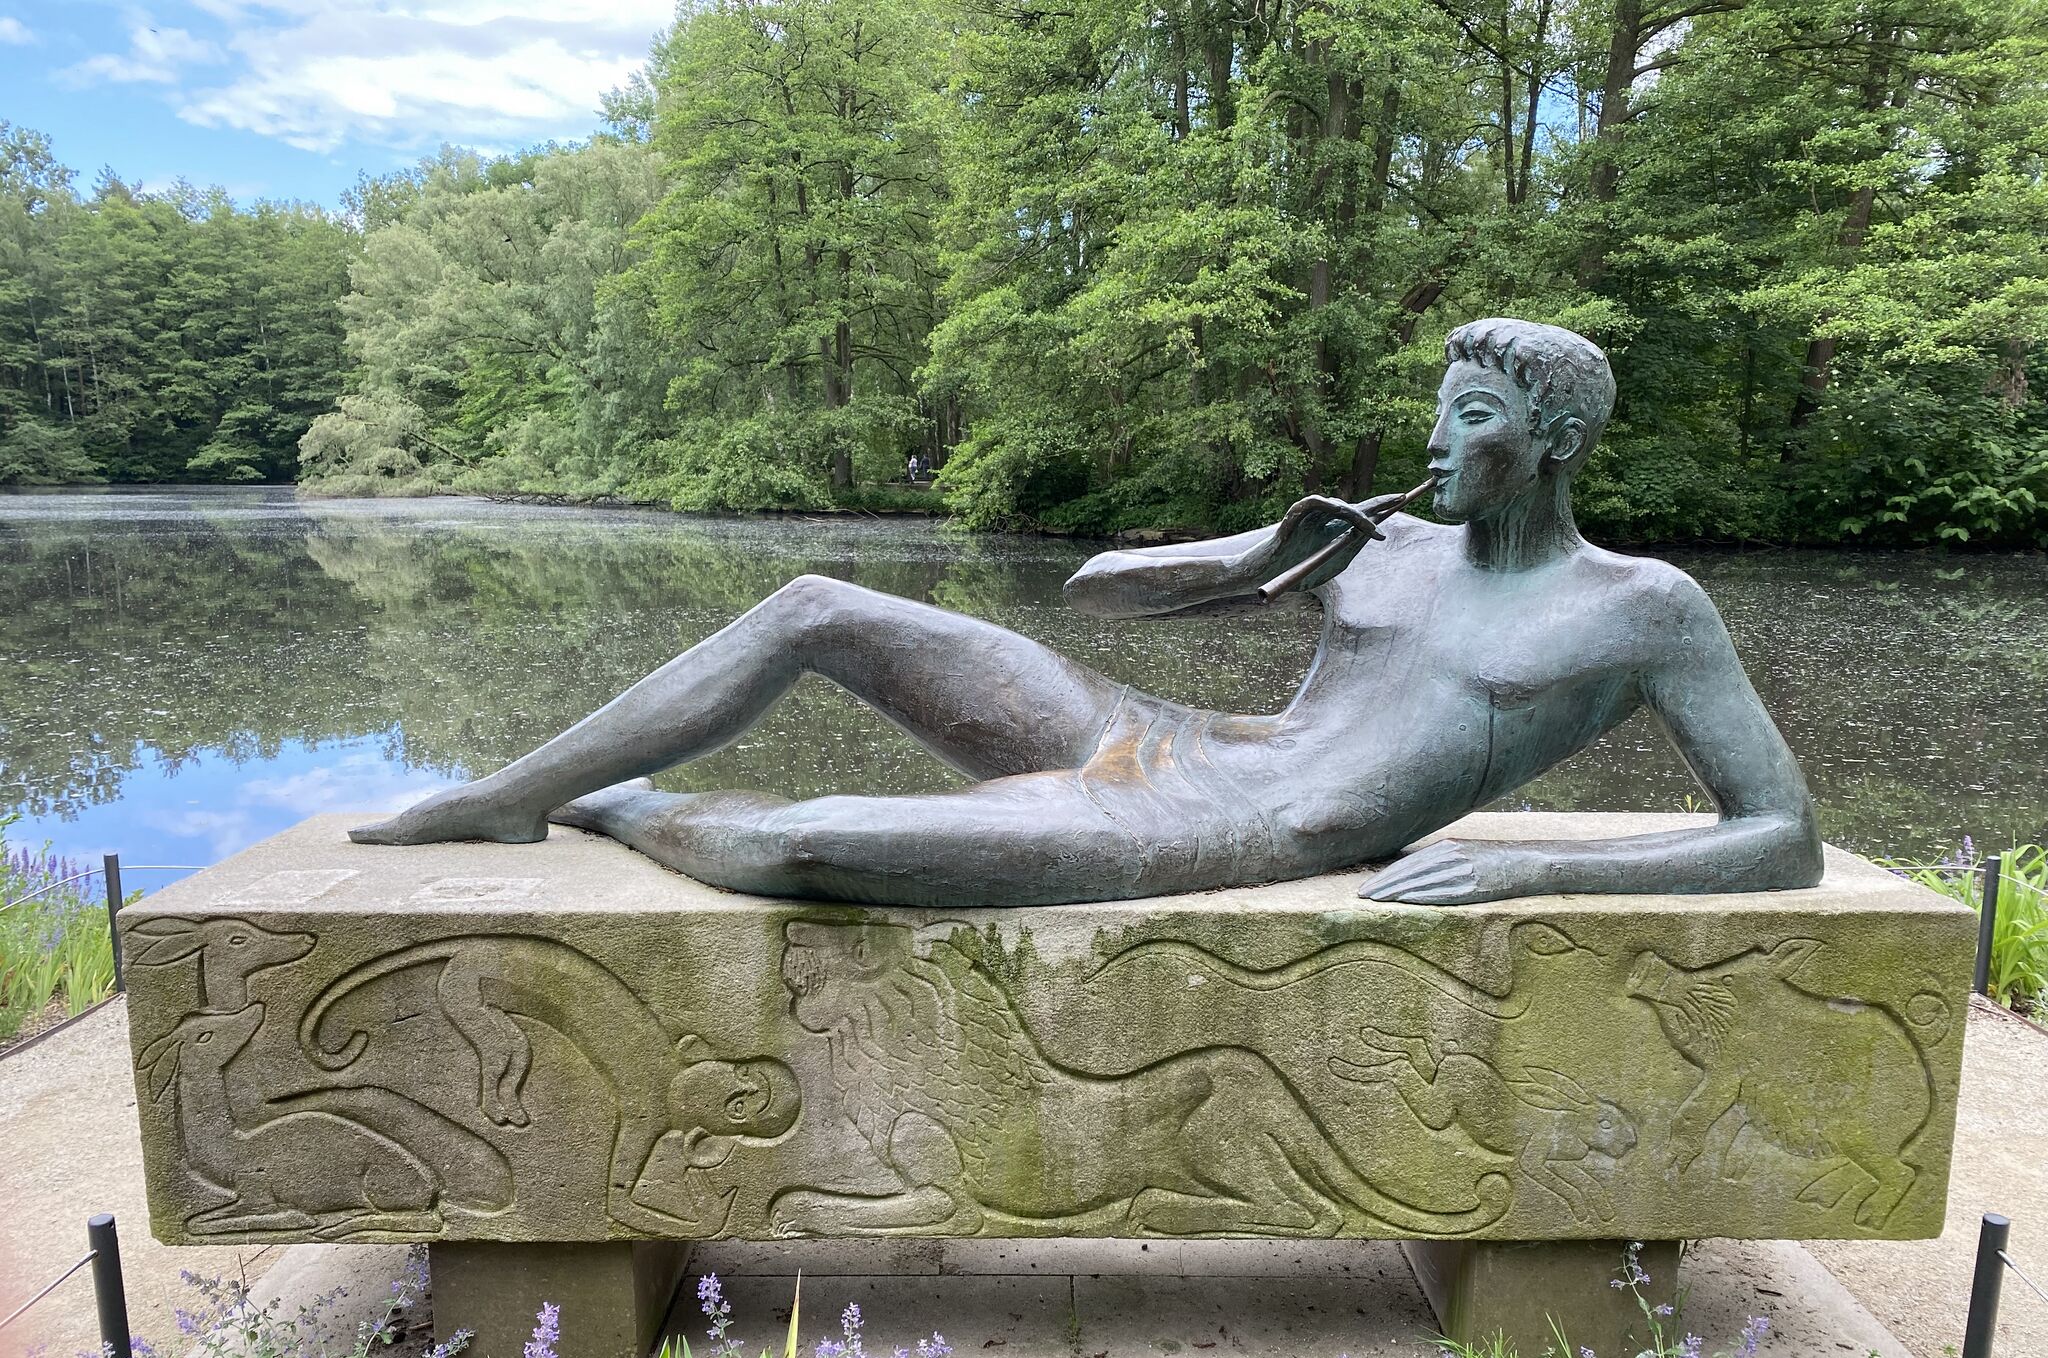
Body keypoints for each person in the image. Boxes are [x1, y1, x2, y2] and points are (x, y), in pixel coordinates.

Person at [353, 318, 1821, 908]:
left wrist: (1527, 872)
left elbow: (1781, 839)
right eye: (1439, 411)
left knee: (811, 844)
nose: (1437, 443)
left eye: (1475, 419)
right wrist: (1265, 552)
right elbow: (1095, 591)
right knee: (815, 602)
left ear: (1555, 441)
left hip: (1234, 827)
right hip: (1164, 737)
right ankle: (511, 796)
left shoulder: (1643, 609)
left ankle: (626, 806)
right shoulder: (1385, 544)